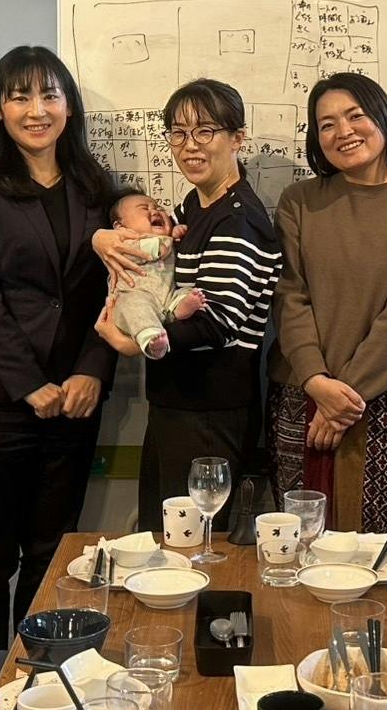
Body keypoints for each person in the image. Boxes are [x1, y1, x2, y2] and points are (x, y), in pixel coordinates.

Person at [0, 46, 118, 650]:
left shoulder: (96, 186)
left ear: (69, 107)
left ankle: (36, 668)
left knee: (52, 551)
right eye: (19, 97)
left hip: (75, 398)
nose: (36, 110)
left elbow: (117, 290)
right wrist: (28, 383)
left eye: (49, 95)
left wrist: (93, 369)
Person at [268, 72, 387, 584]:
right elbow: (290, 296)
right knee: (299, 562)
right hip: (303, 400)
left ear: (382, 119)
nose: (343, 131)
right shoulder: (299, 201)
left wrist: (343, 397)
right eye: (326, 124)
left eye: (355, 116)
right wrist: (317, 383)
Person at [94, 79, 282, 532]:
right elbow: (142, 243)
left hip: (210, 410)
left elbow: (218, 324)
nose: (190, 145)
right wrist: (100, 237)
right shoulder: (193, 209)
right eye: (178, 133)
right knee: (166, 541)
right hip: (179, 403)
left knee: (196, 549)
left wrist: (133, 343)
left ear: (237, 138)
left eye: (205, 131)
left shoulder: (237, 218)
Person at [106, 189, 207, 359]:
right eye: (144, 208)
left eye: (159, 208)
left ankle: (176, 311)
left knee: (188, 292)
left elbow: (170, 248)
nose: (155, 211)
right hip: (134, 296)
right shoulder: (122, 244)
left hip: (167, 295)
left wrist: (175, 235)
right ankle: (151, 340)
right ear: (120, 227)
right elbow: (141, 251)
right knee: (135, 306)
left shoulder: (166, 240)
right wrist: (162, 242)